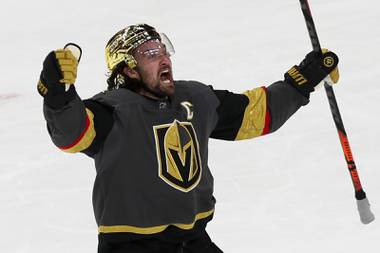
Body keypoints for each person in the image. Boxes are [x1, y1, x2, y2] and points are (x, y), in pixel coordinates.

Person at [37, 24, 339, 253]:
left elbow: (257, 114)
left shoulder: (193, 99)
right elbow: (71, 132)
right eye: (151, 54)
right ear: (128, 69)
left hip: (193, 242)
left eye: (164, 50)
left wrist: (302, 80)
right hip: (131, 247)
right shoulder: (111, 112)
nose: (164, 59)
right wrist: (57, 94)